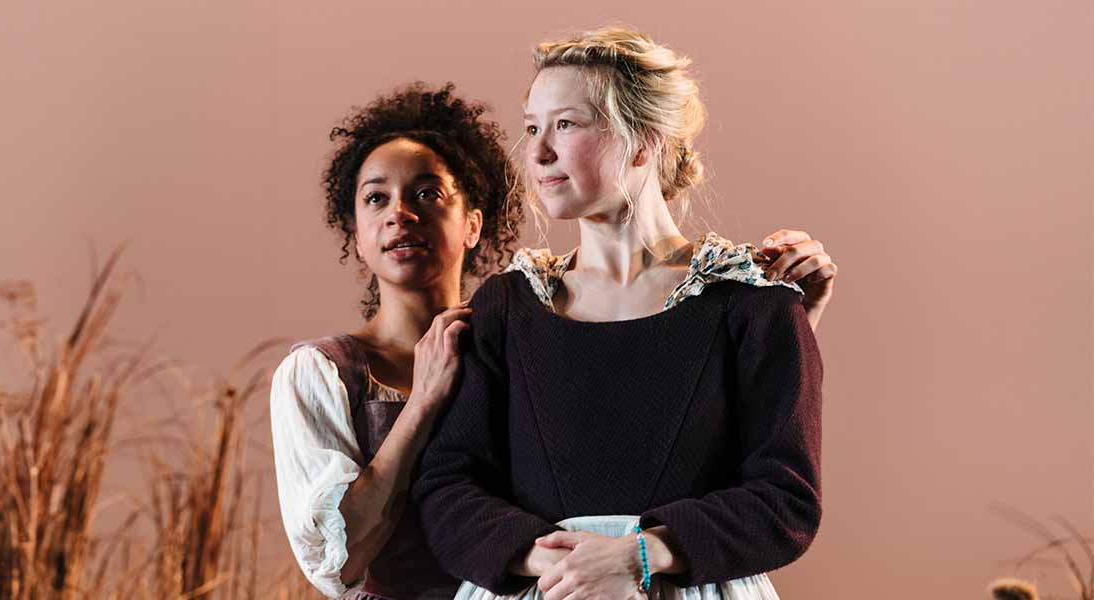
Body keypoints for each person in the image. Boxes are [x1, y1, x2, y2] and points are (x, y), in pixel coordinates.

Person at [272, 80, 837, 598]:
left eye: (427, 195)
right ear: (353, 232)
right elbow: (347, 553)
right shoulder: (339, 369)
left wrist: (787, 327)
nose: (400, 216)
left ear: (474, 223)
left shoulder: (497, 325)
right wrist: (423, 402)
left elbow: (748, 463)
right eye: (375, 199)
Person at [412, 27, 825, 599]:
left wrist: (641, 556)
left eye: (566, 124)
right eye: (531, 128)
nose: (538, 152)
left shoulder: (755, 304)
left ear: (643, 142)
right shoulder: (506, 307)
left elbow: (786, 497)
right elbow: (447, 486)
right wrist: (558, 563)